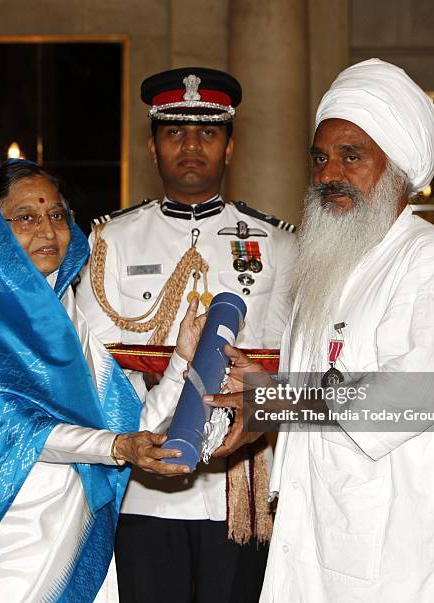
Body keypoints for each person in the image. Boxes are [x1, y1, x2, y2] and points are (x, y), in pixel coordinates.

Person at [206, 59, 434, 601]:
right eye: (319, 157)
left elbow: (411, 397)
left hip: (397, 559)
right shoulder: (333, 265)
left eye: (351, 156)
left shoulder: (429, 263)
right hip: (323, 541)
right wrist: (265, 391)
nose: (328, 174)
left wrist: (281, 403)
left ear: (399, 170)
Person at [0, 160, 204, 602]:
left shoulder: (65, 319)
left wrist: (182, 360)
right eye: (26, 218)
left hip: (72, 530)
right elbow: (10, 426)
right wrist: (115, 447)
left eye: (57, 215)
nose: (48, 230)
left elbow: (123, 425)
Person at [77, 67, 297, 602]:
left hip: (239, 485)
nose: (191, 145)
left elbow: (296, 360)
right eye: (174, 132)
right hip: (144, 491)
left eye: (207, 133)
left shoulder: (279, 243)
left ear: (229, 146)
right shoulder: (112, 240)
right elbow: (92, 368)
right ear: (152, 147)